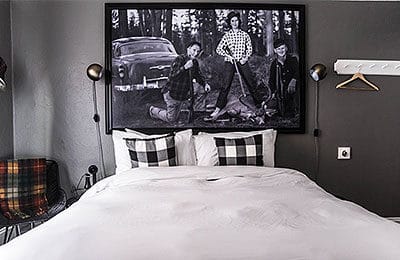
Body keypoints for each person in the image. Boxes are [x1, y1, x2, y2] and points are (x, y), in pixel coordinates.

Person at [210, 11, 263, 120]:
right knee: (225, 85)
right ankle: (218, 108)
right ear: (230, 22)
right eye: (232, 21)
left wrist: (245, 58)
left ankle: (260, 105)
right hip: (230, 62)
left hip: (242, 61)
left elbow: (249, 48)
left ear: (239, 21)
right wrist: (228, 56)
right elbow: (219, 49)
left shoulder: (244, 35)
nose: (235, 23)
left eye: (236, 20)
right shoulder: (227, 35)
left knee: (251, 82)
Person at [149, 41, 211, 123]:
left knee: (202, 88)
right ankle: (152, 110)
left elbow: (198, 76)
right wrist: (185, 67)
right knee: (171, 119)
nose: (196, 53)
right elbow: (173, 76)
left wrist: (205, 84)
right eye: (194, 50)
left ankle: (197, 111)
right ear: (188, 49)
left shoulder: (194, 62)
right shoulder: (179, 59)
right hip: (171, 94)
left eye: (198, 51)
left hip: (183, 94)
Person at [268, 39, 299, 117]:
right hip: (281, 93)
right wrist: (273, 92)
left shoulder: (293, 60)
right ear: (275, 50)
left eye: (282, 48)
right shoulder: (274, 64)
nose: (281, 51)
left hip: (293, 89)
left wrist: (294, 80)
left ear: (286, 48)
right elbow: (271, 80)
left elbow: (298, 72)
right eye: (278, 49)